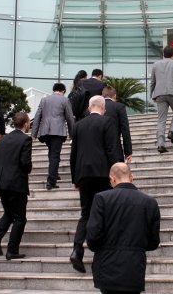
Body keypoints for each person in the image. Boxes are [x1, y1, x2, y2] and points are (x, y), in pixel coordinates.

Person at [87, 162, 161, 294]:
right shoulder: (150, 202)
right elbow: (153, 242)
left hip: (106, 267)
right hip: (134, 268)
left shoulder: (101, 198)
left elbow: (93, 237)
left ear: (112, 179)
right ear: (131, 178)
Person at [69, 95, 118, 273]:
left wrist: (75, 178)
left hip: (83, 175)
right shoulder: (107, 122)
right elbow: (112, 149)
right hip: (103, 174)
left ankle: (77, 249)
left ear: (90, 108)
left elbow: (73, 153)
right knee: (105, 212)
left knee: (86, 213)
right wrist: (116, 174)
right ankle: (103, 252)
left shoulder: (78, 125)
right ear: (103, 108)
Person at [0, 112, 32, 261]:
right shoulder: (26, 139)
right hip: (16, 183)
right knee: (20, 218)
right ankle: (12, 250)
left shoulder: (4, 139)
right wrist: (28, 168)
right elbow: (25, 162)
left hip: (1, 182)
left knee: (9, 213)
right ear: (26, 123)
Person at [32, 82, 74, 190]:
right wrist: (72, 134)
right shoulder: (65, 100)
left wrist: (34, 134)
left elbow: (37, 117)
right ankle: (51, 182)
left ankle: (54, 173)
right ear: (63, 91)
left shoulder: (44, 100)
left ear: (53, 90)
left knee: (52, 153)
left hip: (45, 131)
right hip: (58, 131)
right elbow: (70, 118)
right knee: (55, 155)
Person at [150, 46, 173, 153]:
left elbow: (153, 81)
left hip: (159, 94)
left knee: (161, 120)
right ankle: (171, 132)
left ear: (163, 54)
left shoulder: (155, 64)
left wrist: (152, 94)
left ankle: (160, 144)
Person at [102, 85, 133, 163]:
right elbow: (125, 130)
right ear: (115, 96)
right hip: (115, 150)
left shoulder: (95, 107)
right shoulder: (119, 107)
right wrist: (128, 152)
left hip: (98, 152)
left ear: (102, 96)